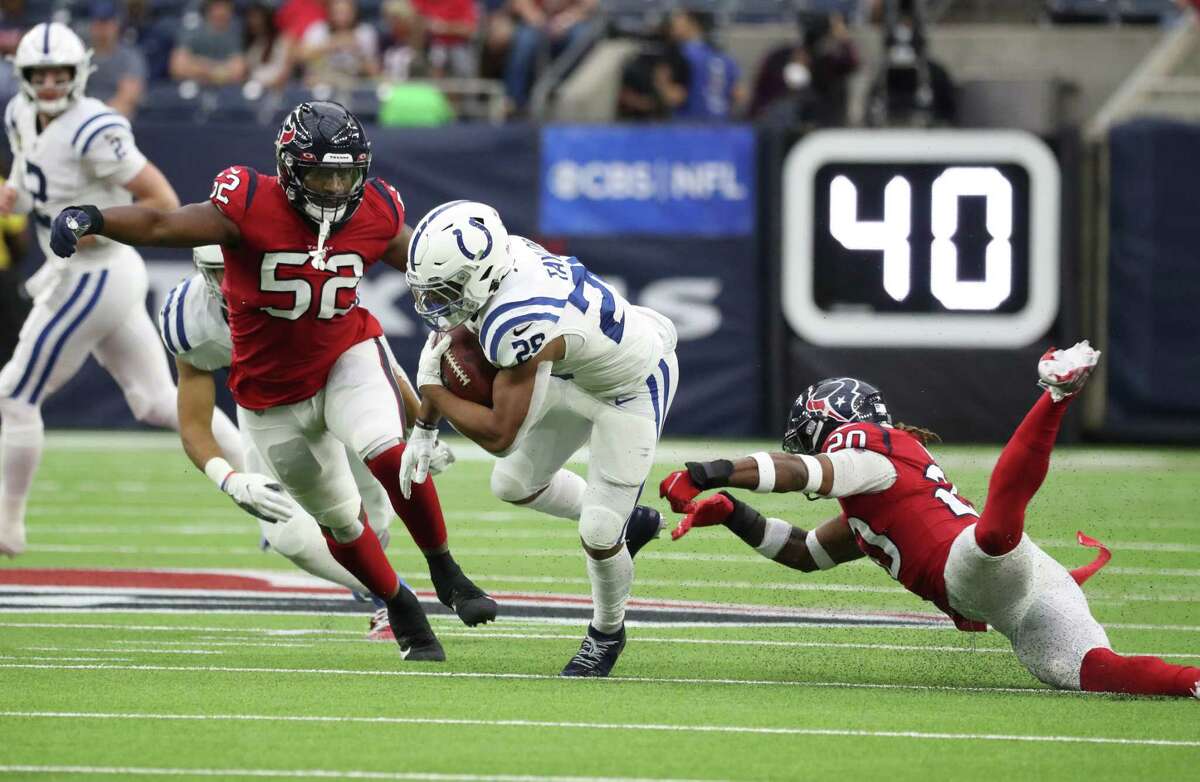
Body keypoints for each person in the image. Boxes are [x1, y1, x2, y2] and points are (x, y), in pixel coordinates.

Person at [49, 101, 497, 660]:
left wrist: (492, 289)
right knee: (337, 520)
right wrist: (95, 217)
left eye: (344, 173)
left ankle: (446, 569)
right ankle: (398, 604)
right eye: (320, 173)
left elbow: (430, 262)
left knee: (388, 454)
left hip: (343, 358)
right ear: (289, 170)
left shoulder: (375, 210)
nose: (334, 187)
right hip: (271, 399)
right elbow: (164, 223)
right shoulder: (240, 219)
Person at [661, 343, 1200, 698]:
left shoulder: (868, 451)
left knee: (991, 535)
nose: (805, 443)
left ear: (830, 423)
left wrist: (711, 473)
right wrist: (733, 513)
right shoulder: (870, 505)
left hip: (972, 565)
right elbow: (804, 552)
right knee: (1094, 671)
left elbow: (804, 471)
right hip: (1021, 596)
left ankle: (1056, 393)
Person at [403, 202, 676, 677]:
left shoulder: (518, 316)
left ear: (480, 274)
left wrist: (430, 392)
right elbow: (448, 345)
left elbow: (499, 435)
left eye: (445, 289)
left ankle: (607, 632)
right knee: (513, 484)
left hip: (631, 386)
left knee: (597, 532)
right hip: (577, 369)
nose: (436, 302)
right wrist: (424, 426)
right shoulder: (506, 260)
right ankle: (631, 521)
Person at [0, 23, 231, 558]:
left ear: (80, 73)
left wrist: (91, 223)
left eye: (61, 73)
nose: (53, 83)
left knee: (14, 394)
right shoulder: (18, 113)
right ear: (25, 76)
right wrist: (15, 193)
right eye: (41, 74)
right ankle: (258, 482)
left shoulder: (93, 126)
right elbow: (32, 173)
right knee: (155, 400)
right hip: (88, 274)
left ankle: (7, 527)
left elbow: (163, 199)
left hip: (94, 271)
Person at [160, 245, 456, 640]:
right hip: (267, 406)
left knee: (374, 513)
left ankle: (396, 580)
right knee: (290, 533)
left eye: (242, 264)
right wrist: (229, 479)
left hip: (339, 384)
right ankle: (389, 598)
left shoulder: (301, 284)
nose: (233, 282)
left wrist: (419, 425)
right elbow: (195, 424)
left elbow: (372, 348)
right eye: (222, 271)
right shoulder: (190, 318)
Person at [504, 0, 598, 110]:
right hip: (536, 21)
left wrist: (567, 20)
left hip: (570, 22)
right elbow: (520, 3)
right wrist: (539, 20)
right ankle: (514, 100)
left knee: (582, 37)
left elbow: (590, 4)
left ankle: (559, 93)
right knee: (525, 40)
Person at [667, 9, 743, 121]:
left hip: (688, 126)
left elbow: (676, 96)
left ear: (692, 24)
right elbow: (738, 94)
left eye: (678, 21)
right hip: (721, 125)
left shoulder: (681, 54)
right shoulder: (724, 56)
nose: (672, 26)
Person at [87, 0, 149, 118]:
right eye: (98, 23)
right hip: (84, 118)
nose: (102, 29)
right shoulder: (81, 55)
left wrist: (97, 120)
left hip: (117, 122)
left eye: (107, 23)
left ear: (116, 24)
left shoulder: (130, 56)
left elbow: (128, 97)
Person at [299, 0, 380, 90]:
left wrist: (358, 51)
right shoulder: (319, 30)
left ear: (354, 12)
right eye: (338, 12)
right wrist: (330, 45)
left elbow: (375, 71)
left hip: (354, 83)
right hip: (323, 82)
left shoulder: (364, 33)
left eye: (346, 12)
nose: (342, 17)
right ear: (330, 12)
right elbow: (301, 56)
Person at [169, 0, 246, 87]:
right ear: (208, 10)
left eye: (225, 8)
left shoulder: (234, 32)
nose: (221, 12)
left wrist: (198, 65)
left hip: (225, 90)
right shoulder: (193, 30)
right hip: (193, 87)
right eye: (217, 7)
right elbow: (178, 67)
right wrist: (219, 70)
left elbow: (238, 72)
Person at [243, 1, 292, 91]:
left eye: (257, 18)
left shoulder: (282, 40)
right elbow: (247, 71)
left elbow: (284, 73)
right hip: (254, 89)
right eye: (251, 18)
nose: (253, 22)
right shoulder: (252, 42)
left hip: (275, 90)